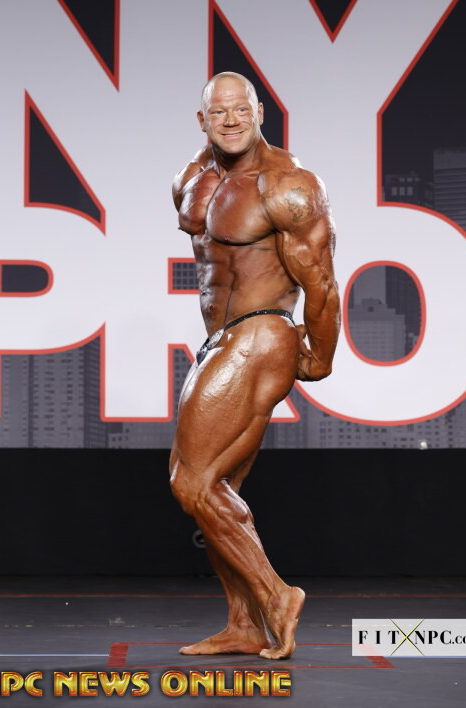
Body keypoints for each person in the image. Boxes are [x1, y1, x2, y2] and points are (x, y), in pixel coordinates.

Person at [169, 71, 340, 659]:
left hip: (264, 332)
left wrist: (321, 353)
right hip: (221, 339)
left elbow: (320, 281)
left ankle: (277, 596)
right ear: (202, 120)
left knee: (190, 481)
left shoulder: (288, 185)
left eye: (241, 109)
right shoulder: (191, 180)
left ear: (260, 111)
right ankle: (244, 623)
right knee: (217, 487)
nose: (231, 120)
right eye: (219, 112)